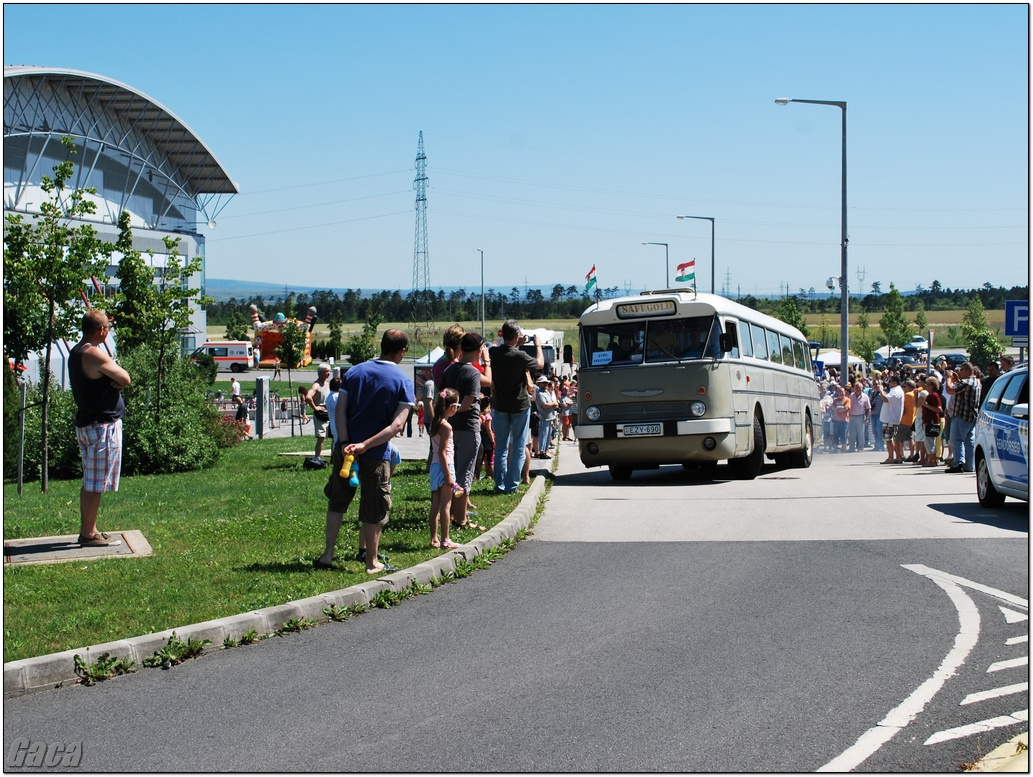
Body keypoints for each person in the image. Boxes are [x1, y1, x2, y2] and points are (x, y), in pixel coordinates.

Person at [314, 330, 414, 573]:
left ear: (381, 346)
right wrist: (366, 446)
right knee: (375, 506)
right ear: (401, 351)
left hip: (345, 449)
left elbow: (340, 409)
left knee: (338, 501)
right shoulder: (404, 382)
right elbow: (397, 425)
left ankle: (327, 555)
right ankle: (372, 561)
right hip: (377, 453)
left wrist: (346, 442)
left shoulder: (355, 372)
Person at [68, 309, 131, 547]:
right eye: (108, 328)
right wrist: (116, 379)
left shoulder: (77, 351)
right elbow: (125, 378)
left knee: (90, 481)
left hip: (87, 423)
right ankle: (88, 534)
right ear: (101, 330)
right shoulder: (94, 354)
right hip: (102, 426)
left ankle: (89, 529)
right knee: (95, 485)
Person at [488, 320, 544, 494]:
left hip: (500, 405)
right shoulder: (520, 357)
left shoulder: (494, 352)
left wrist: (517, 343)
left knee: (501, 446)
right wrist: (538, 346)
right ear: (517, 336)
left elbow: (507, 351)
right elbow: (540, 364)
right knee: (519, 446)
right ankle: (512, 485)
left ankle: (499, 484)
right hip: (519, 405)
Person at [442, 332, 489, 532]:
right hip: (469, 428)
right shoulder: (473, 373)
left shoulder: (449, 370)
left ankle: (451, 513)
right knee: (465, 473)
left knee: (454, 470)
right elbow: (467, 404)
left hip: (452, 427)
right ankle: (460, 519)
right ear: (479, 351)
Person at [428, 388, 461, 550]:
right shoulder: (446, 426)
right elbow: (442, 452)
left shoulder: (435, 423)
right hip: (445, 466)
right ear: (452, 406)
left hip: (435, 467)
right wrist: (449, 476)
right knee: (446, 505)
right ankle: (445, 539)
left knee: (435, 505)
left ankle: (434, 538)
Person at [944, 361, 981, 473]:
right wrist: (957, 380)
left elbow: (950, 390)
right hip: (972, 416)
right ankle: (969, 465)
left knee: (956, 440)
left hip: (961, 415)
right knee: (969, 441)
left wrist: (948, 378)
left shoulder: (966, 382)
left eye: (961, 370)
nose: (960, 373)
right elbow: (963, 389)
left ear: (966, 370)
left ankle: (958, 463)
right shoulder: (977, 382)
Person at [307, 364, 332, 460]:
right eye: (326, 371)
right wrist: (315, 408)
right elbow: (308, 397)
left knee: (331, 436)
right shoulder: (317, 385)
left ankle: (333, 458)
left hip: (328, 414)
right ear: (320, 372)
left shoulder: (327, 384)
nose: (328, 373)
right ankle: (317, 458)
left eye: (329, 371)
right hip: (320, 415)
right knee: (321, 438)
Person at [879, 375, 906, 464]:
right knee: (891, 438)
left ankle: (891, 457)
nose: (888, 383)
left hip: (891, 418)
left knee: (889, 439)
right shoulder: (895, 390)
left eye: (890, 381)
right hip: (889, 418)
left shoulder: (896, 391)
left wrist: (881, 390)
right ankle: (897, 457)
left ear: (895, 383)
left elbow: (885, 399)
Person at [919, 376, 943, 467]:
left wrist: (926, 405)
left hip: (931, 421)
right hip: (928, 420)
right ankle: (932, 459)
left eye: (927, 384)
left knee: (930, 442)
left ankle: (931, 460)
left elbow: (938, 409)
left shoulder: (933, 395)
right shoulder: (931, 395)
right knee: (929, 441)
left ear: (932, 386)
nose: (925, 385)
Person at [535, 375, 559, 458]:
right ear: (540, 384)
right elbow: (544, 405)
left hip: (549, 417)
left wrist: (554, 405)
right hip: (544, 417)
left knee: (548, 435)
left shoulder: (546, 392)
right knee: (543, 435)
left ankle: (545, 451)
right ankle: (542, 452)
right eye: (544, 383)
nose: (546, 384)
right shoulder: (540, 393)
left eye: (546, 383)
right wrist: (554, 404)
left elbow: (550, 402)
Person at [847, 381, 870, 453]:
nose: (857, 389)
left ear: (862, 388)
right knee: (852, 434)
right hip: (852, 416)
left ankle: (860, 447)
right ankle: (852, 448)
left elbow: (868, 408)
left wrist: (867, 418)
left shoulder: (865, 397)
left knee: (860, 433)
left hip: (860, 416)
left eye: (859, 387)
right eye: (856, 387)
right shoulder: (851, 395)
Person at [478, 395, 495, 481]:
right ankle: (491, 474)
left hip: (481, 439)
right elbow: (489, 430)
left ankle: (477, 475)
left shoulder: (480, 417)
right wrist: (492, 441)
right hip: (487, 440)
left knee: (481, 458)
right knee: (490, 458)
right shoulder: (488, 417)